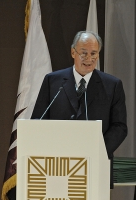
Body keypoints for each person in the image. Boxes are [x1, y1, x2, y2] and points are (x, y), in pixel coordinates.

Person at [31, 31, 127, 188]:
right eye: (84, 53)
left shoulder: (112, 85)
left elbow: (120, 126)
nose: (89, 58)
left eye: (94, 53)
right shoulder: (53, 81)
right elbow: (38, 120)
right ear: (73, 52)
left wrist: (97, 149)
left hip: (96, 165)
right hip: (55, 168)